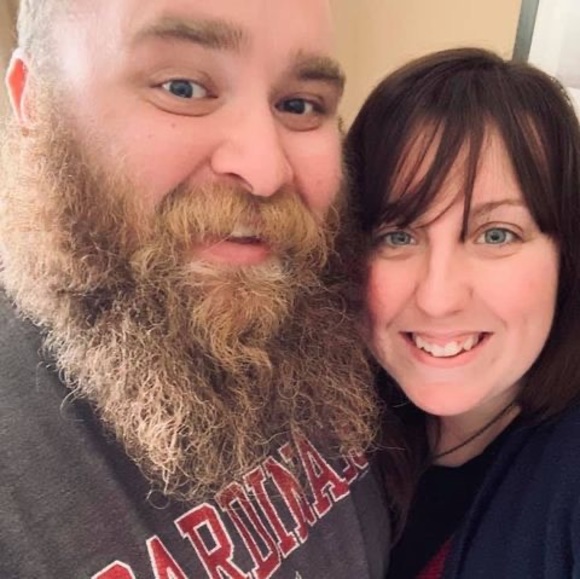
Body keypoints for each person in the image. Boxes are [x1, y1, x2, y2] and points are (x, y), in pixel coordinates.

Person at [0, 1, 392, 576]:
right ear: (33, 99)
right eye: (182, 88)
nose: (265, 171)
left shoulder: (342, 312)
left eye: (299, 105)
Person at [346, 47, 580, 578]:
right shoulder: (334, 424)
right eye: (397, 235)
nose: (438, 297)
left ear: (566, 257)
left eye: (496, 235)